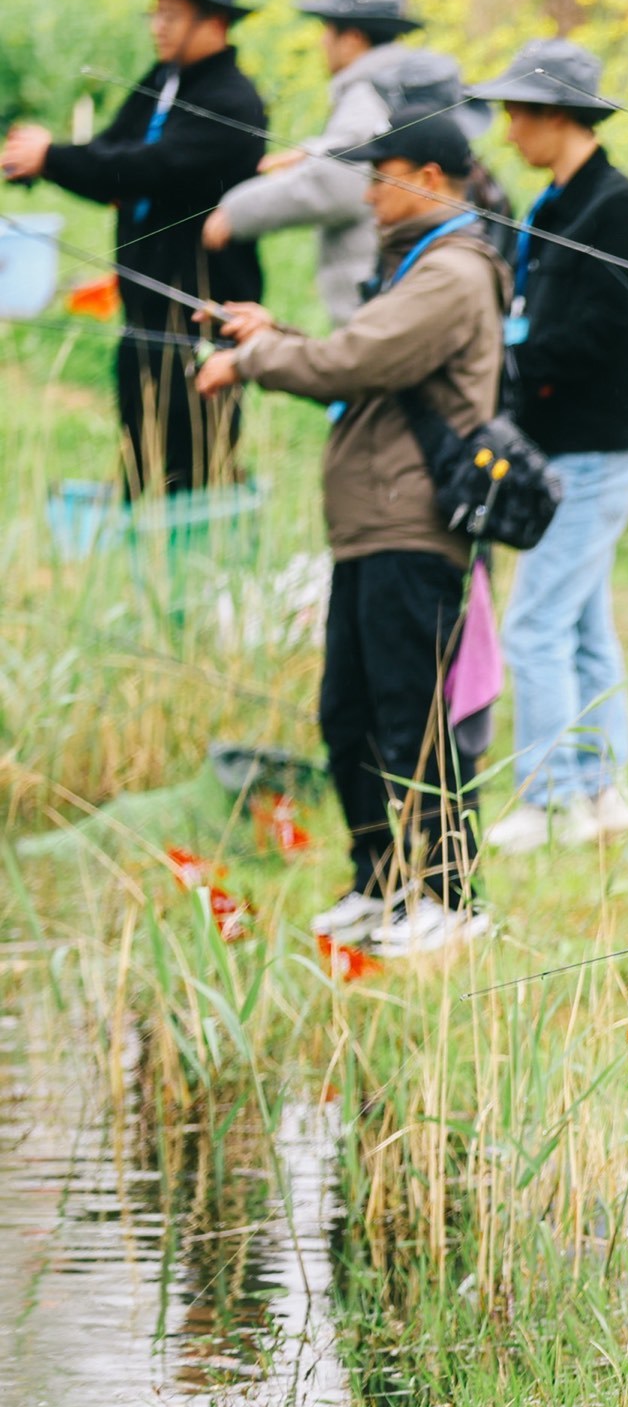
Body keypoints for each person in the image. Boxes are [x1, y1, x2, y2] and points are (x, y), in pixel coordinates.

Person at [196, 107, 508, 958]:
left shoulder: (452, 273)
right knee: (349, 715)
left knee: (413, 718)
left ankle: (452, 895)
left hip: (413, 528)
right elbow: (359, 356)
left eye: (381, 174)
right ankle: (381, 883)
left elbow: (355, 362)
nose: (367, 191)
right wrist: (275, 335)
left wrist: (255, 360)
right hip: (371, 526)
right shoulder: (415, 267)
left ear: (431, 180)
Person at [467, 38, 628, 853]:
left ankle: (551, 803)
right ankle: (601, 789)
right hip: (557, 445)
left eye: (517, 114)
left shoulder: (616, 206)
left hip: (593, 448)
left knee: (534, 627)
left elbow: (600, 334)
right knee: (580, 620)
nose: (508, 132)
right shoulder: (555, 204)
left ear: (556, 117)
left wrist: (506, 362)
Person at [2, 0, 267, 496]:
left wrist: (54, 156)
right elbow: (112, 158)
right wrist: (55, 161)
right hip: (145, 294)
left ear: (214, 22)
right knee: (137, 426)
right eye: (156, 12)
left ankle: (189, 543)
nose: (158, 26)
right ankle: (136, 520)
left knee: (191, 443)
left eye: (172, 14)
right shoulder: (164, 80)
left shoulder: (233, 102)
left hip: (199, 305)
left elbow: (149, 167)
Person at [204, 0, 475, 326]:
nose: (322, 44)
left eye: (327, 32)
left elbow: (338, 183)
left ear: (352, 39)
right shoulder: (398, 85)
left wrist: (238, 212)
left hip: (370, 290)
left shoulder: (367, 94)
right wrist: (313, 150)